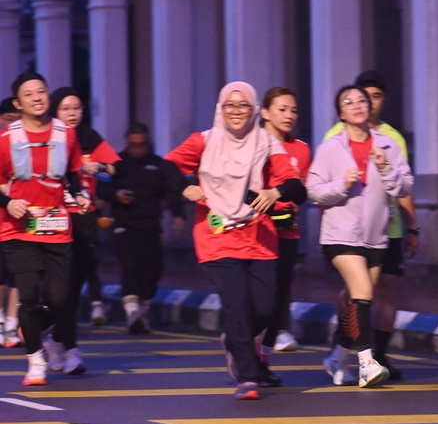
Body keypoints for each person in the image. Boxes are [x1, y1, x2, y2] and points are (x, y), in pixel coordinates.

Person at [165, 81, 306, 400]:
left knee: (265, 307)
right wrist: (183, 187)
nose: (236, 111)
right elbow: (166, 167)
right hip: (216, 235)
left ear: (254, 109)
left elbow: (295, 186)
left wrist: (275, 192)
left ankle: (234, 340)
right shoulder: (204, 140)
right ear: (220, 108)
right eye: (230, 105)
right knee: (237, 303)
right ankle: (247, 375)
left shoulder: (267, 142)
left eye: (243, 105)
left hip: (259, 235)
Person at [307, 84, 414, 388]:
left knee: (357, 299)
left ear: (370, 108)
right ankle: (367, 363)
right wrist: (340, 186)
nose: (357, 105)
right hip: (340, 235)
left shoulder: (387, 145)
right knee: (363, 292)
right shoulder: (330, 148)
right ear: (341, 113)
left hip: (376, 236)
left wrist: (385, 167)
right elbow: (313, 190)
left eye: (362, 101)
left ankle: (338, 357)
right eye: (348, 102)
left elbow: (404, 187)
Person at [0, 73, 90, 385]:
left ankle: (38, 330)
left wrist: (80, 195)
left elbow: (72, 173)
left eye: (41, 91)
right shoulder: (7, 139)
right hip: (19, 229)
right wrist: (7, 202)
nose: (37, 98)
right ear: (18, 103)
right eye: (29, 94)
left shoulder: (66, 134)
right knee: (28, 297)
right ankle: (35, 361)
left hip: (57, 228)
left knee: (59, 299)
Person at [40, 87, 120, 374]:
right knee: (56, 289)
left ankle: (65, 344)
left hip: (84, 218)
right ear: (55, 111)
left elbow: (116, 170)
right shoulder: (46, 138)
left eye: (77, 108)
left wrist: (99, 167)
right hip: (51, 219)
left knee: (74, 286)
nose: (72, 113)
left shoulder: (90, 138)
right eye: (66, 109)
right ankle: (50, 335)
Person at [102, 123, 185, 333]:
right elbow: (101, 187)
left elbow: (171, 191)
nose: (137, 149)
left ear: (148, 143)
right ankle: (132, 314)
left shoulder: (158, 165)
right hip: (124, 224)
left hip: (150, 225)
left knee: (152, 270)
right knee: (130, 267)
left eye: (141, 145)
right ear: (127, 142)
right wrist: (116, 195)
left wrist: (178, 215)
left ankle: (144, 311)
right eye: (133, 145)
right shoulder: (116, 163)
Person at [260, 87, 311, 366]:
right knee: (260, 292)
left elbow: (302, 192)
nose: (289, 115)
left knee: (281, 288)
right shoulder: (252, 144)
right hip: (255, 229)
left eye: (293, 110)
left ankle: (268, 351)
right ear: (265, 113)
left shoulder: (301, 149)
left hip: (287, 228)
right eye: (282, 109)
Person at [0, 97, 22, 347]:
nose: (14, 124)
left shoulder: (28, 144)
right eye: (9, 119)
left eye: (18, 119)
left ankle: (12, 325)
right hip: (1, 220)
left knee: (20, 274)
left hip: (22, 221)